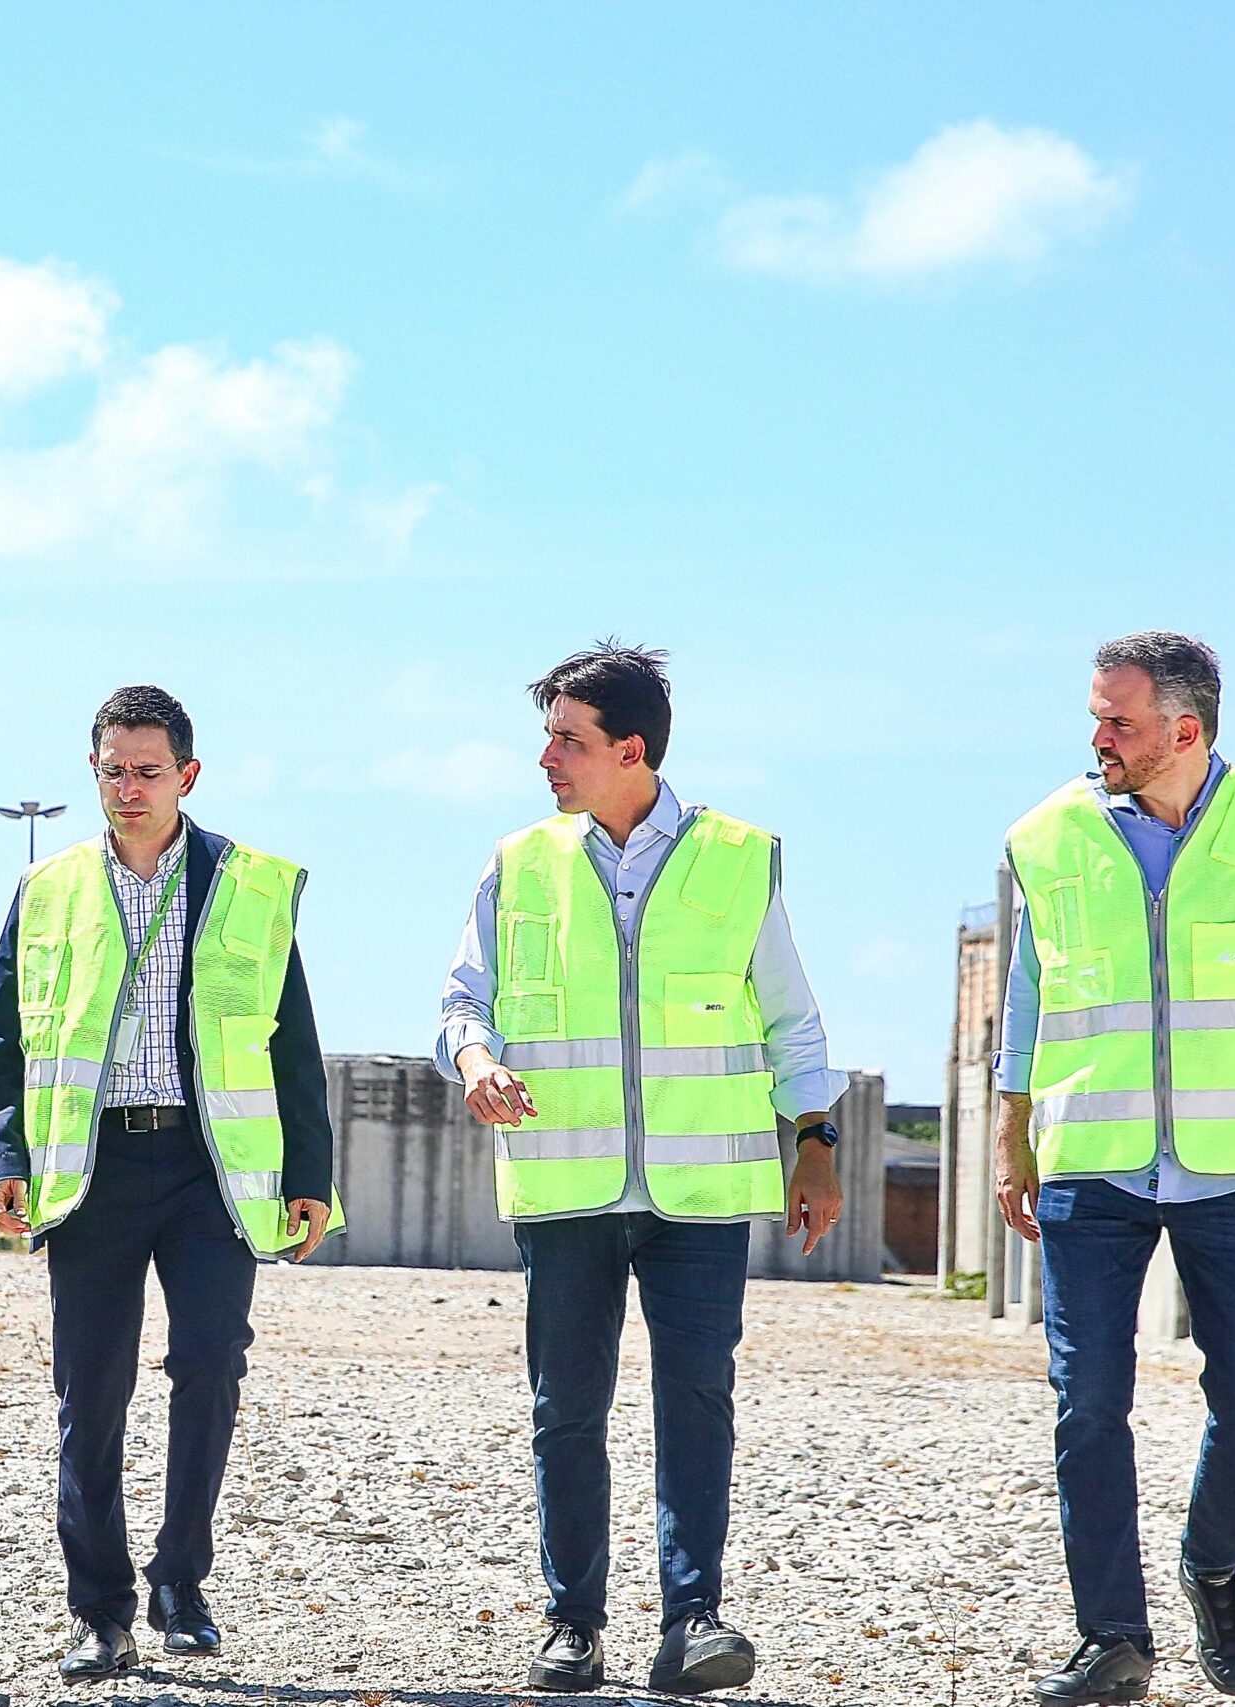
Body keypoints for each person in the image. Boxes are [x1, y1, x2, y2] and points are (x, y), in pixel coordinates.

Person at [437, 641, 846, 1696]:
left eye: (567, 741)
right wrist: (475, 1059)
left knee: (697, 1400)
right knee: (564, 1410)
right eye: (547, 739)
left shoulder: (739, 858)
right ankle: (572, 1624)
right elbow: (462, 1002)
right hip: (566, 1185)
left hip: (699, 1194)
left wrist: (816, 1143)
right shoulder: (517, 862)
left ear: (631, 750)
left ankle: (693, 1620)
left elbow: (793, 1021)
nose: (547, 760)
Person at [992, 632, 1235, 1706]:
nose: (1098, 738)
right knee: (1086, 1404)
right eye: (1096, 717)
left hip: (1234, 1163)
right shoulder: (1046, 833)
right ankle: (1112, 1637)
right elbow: (1027, 994)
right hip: (1089, 1164)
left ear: (1184, 730)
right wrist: (1012, 1132)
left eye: (1120, 721)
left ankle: (1212, 1565)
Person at [0, 685, 338, 1679]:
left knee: (211, 1366)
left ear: (188, 775)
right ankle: (98, 1608)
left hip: (206, 1168)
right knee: (89, 1391)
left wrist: (309, 1173)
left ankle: (181, 1578)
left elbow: (292, 1042)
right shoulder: (47, 888)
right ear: (91, 773)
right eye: (113, 771)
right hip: (88, 1166)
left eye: (147, 771)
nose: (128, 788)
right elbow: (0, 1038)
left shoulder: (247, 885)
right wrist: (4, 1159)